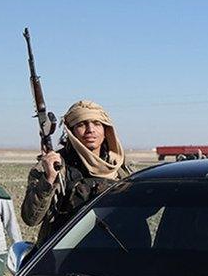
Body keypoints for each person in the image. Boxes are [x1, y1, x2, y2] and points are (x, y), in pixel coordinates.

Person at [22, 100, 133, 243]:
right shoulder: (54, 166)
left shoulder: (121, 167)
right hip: (67, 253)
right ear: (70, 132)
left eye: (97, 123)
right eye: (81, 124)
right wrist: (49, 180)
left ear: (106, 130)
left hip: (114, 249)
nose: (90, 130)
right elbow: (31, 218)